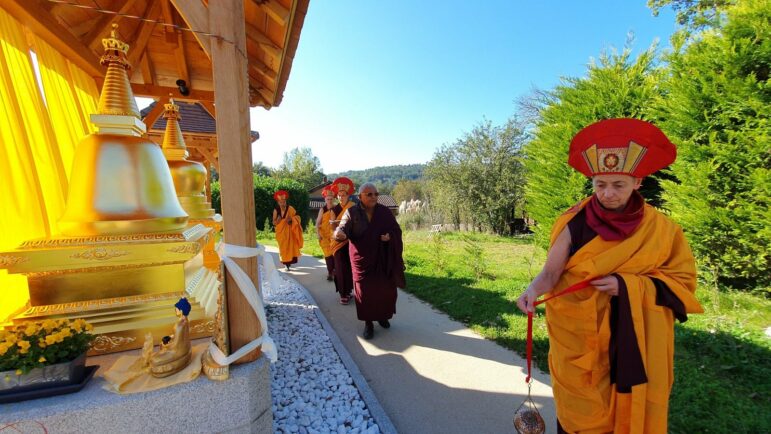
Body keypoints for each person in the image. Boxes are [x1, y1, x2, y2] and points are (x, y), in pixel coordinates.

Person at [515, 118, 703, 433]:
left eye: (618, 185)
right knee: (581, 417)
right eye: (600, 185)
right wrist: (533, 289)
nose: (608, 194)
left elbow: (682, 283)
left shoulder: (663, 230)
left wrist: (628, 286)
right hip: (580, 338)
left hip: (636, 337)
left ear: (638, 181)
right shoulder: (573, 222)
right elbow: (550, 273)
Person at [334, 183, 405, 339]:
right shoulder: (352, 212)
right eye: (369, 194)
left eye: (375, 194)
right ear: (360, 197)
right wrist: (339, 233)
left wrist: (390, 237)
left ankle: (382, 316)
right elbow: (342, 227)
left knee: (385, 291)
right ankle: (368, 323)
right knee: (365, 294)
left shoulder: (384, 212)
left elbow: (396, 230)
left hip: (382, 258)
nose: (374, 197)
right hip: (362, 260)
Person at [150, 297, 193, 378]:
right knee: (157, 355)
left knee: (154, 359)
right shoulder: (186, 321)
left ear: (181, 311)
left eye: (176, 310)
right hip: (186, 348)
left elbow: (175, 346)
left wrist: (165, 345)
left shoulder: (178, 325)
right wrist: (171, 337)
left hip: (177, 351)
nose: (175, 311)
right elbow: (180, 336)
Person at [329, 177, 356, 304]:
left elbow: (357, 223)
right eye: (339, 196)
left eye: (343, 195)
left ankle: (349, 291)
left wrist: (341, 223)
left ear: (348, 196)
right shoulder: (334, 210)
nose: (341, 198)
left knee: (350, 266)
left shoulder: (353, 207)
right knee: (340, 267)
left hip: (350, 240)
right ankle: (342, 294)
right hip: (338, 242)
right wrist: (339, 223)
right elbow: (333, 226)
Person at [272, 190, 303, 271]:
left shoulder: (290, 208)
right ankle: (286, 263)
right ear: (278, 202)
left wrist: (292, 220)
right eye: (281, 202)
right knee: (283, 248)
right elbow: (274, 222)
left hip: (290, 231)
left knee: (290, 247)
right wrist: (278, 221)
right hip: (281, 233)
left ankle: (288, 264)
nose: (283, 203)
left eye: (284, 201)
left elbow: (298, 217)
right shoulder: (276, 210)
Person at [316, 185, 337, 281]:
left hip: (333, 235)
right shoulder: (322, 209)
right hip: (324, 235)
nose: (329, 200)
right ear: (325, 199)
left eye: (331, 199)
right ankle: (330, 273)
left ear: (333, 198)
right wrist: (318, 233)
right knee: (327, 254)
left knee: (334, 254)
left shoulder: (336, 208)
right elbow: (318, 222)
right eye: (327, 199)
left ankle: (335, 271)